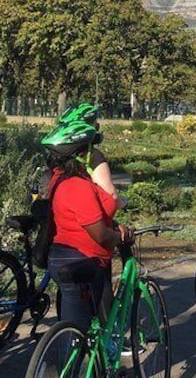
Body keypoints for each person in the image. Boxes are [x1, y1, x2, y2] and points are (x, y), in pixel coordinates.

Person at [41, 119, 134, 331]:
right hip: (82, 261)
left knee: (75, 329)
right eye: (91, 149)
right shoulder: (78, 187)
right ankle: (72, 362)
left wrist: (114, 225)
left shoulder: (60, 179)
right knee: (76, 335)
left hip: (61, 256)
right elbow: (100, 235)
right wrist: (121, 237)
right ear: (82, 154)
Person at [56, 102, 118, 199]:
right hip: (88, 208)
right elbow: (110, 194)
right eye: (95, 124)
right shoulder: (92, 155)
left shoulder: (57, 154)